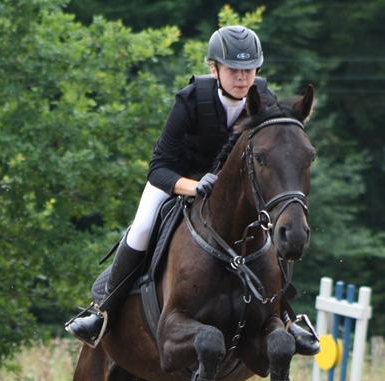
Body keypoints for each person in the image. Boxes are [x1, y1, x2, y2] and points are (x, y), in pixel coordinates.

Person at [65, 24, 320, 355]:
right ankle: (103, 313)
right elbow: (159, 167)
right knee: (142, 227)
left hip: (231, 193)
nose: (243, 78)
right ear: (214, 68)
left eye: (249, 69)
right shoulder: (190, 101)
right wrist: (194, 186)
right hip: (179, 180)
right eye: (233, 69)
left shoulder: (264, 101)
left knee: (279, 229)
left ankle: (283, 314)